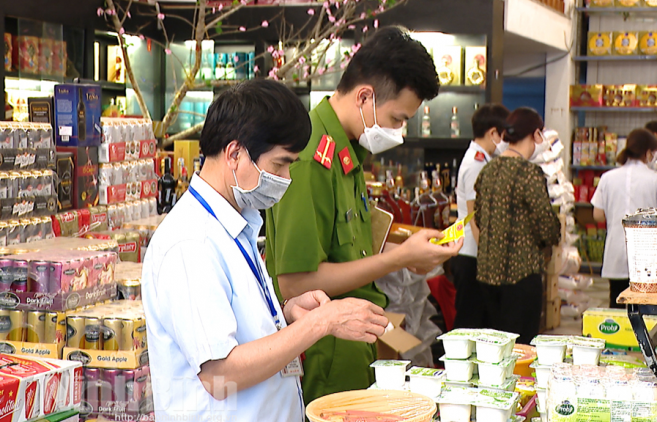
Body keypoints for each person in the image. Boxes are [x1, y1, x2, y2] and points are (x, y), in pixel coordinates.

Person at [142, 80, 390, 422]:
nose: (287, 178)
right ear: (234, 154)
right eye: (279, 165)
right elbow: (219, 373)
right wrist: (321, 322)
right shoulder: (190, 243)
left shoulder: (235, 223)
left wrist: (286, 315)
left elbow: (235, 329)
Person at [265, 26, 463, 405]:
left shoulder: (347, 152)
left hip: (356, 343)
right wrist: (399, 258)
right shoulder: (308, 157)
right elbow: (296, 282)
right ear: (365, 96)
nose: (399, 132)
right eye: (397, 118)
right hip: (325, 355)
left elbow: (353, 247)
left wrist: (409, 250)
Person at [473, 107, 561, 343]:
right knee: (521, 349)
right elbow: (545, 225)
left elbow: (479, 217)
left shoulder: (488, 169)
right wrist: (552, 237)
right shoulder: (529, 173)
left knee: (495, 350)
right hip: (521, 276)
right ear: (535, 135)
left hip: (487, 274)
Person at [591, 128, 657, 308]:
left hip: (615, 254)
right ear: (649, 153)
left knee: (618, 306)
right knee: (644, 309)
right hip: (647, 259)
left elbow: (597, 215)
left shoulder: (607, 177)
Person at [452, 104, 510, 329]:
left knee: (479, 320)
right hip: (472, 255)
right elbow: (477, 215)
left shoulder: (483, 159)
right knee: (470, 322)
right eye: (504, 135)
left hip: (474, 252)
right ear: (493, 133)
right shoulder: (476, 163)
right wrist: (489, 259)